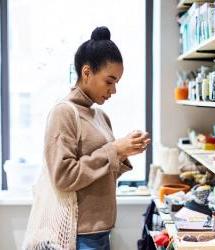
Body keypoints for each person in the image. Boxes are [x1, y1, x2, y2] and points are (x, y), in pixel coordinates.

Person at [44, 26, 151, 250]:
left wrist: (125, 151)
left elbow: (103, 174)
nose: (114, 90)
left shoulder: (100, 115)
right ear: (86, 73)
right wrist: (115, 150)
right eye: (109, 81)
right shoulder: (64, 112)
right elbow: (63, 177)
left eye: (117, 83)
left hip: (101, 230)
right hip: (78, 234)